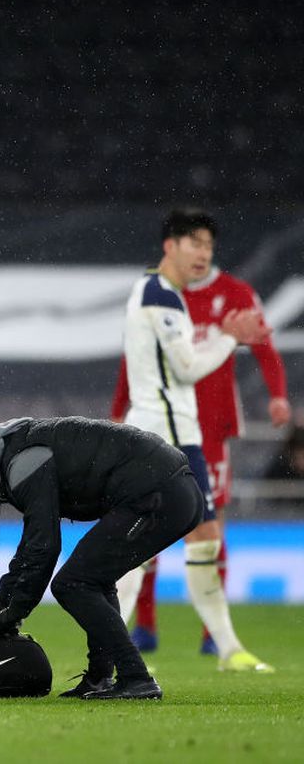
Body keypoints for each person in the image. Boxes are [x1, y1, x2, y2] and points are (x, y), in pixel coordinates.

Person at [109, 212, 291, 653]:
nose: (203, 252)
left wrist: (278, 395)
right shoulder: (162, 295)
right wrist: (119, 409)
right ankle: (140, 631)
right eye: (195, 243)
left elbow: (265, 346)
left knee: (203, 529)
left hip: (209, 427)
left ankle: (216, 638)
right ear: (172, 245)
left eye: (208, 244)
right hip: (168, 426)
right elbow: (152, 363)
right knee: (159, 531)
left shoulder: (231, 293)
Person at [0, 417, 207, 701]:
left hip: (158, 494)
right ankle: (100, 677)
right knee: (93, 579)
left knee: (74, 584)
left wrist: (12, 614)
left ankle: (136, 678)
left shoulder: (22, 464)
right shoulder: (20, 450)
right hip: (173, 489)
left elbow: (44, 548)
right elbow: (30, 547)